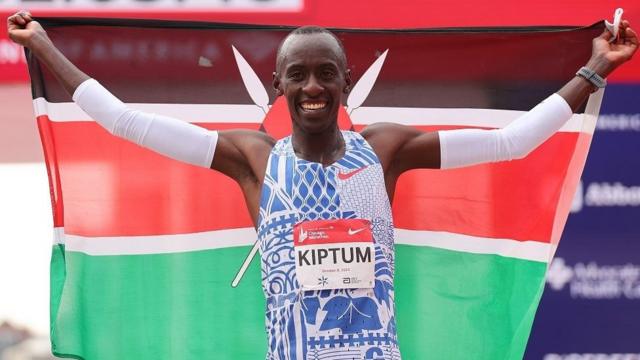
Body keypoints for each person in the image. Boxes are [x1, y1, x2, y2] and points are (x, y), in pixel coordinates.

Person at [7, 11, 637, 360]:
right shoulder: (252, 159)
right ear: (279, 85)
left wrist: (595, 69)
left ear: (344, 82)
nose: (312, 87)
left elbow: (512, 142)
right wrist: (42, 46)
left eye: (325, 74)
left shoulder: (384, 150)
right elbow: (127, 123)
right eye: (298, 75)